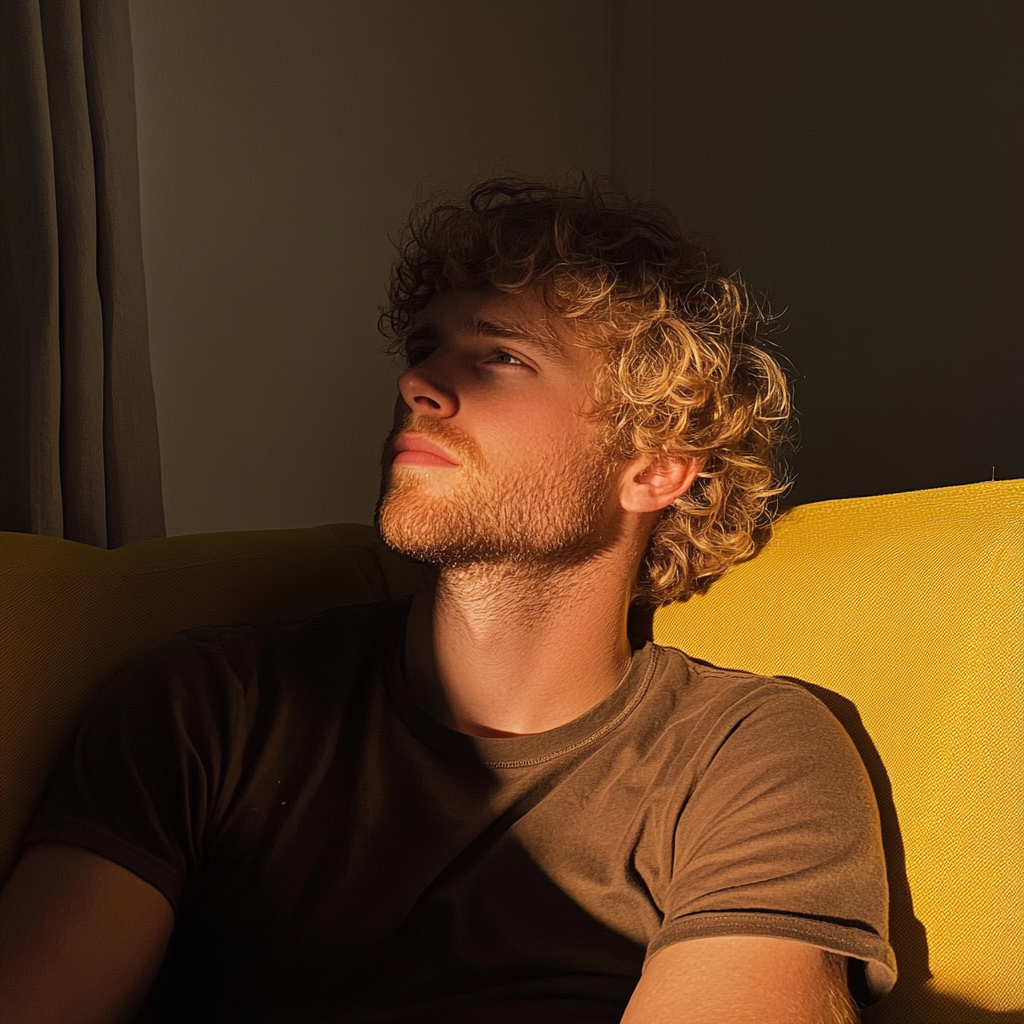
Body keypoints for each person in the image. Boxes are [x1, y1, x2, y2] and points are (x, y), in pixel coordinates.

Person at [0, 178, 895, 1023]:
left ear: (656, 465)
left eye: (500, 356)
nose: (416, 384)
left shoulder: (746, 759)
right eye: (424, 347)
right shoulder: (204, 708)